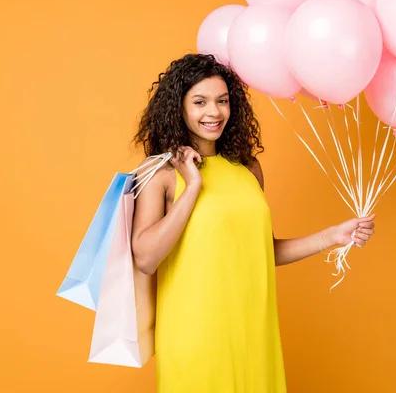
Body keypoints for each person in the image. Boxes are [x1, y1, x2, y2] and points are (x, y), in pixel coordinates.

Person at [130, 53, 375, 392]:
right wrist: (193, 187)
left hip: (253, 328)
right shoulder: (159, 173)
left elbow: (262, 250)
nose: (213, 112)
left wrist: (333, 236)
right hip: (197, 333)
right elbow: (145, 258)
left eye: (222, 101)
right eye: (199, 102)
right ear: (179, 107)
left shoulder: (247, 168)